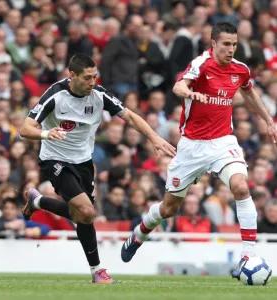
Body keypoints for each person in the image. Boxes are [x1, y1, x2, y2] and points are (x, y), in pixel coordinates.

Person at [121, 22, 277, 282]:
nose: (231, 49)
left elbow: (249, 93)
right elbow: (178, 87)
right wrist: (191, 93)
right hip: (192, 146)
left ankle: (247, 256)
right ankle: (140, 233)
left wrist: (268, 121)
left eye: (234, 44)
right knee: (169, 208)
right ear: (213, 43)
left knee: (241, 187)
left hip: (223, 141)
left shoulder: (240, 70)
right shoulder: (201, 64)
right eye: (226, 44)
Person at [19, 53, 176, 284]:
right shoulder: (56, 95)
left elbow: (130, 117)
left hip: (84, 162)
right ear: (72, 75)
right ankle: (97, 271)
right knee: (87, 212)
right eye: (87, 77)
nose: (93, 82)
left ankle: (39, 202)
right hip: (55, 159)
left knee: (80, 214)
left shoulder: (99, 95)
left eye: (95, 76)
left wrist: (153, 137)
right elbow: (25, 128)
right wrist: (46, 133)